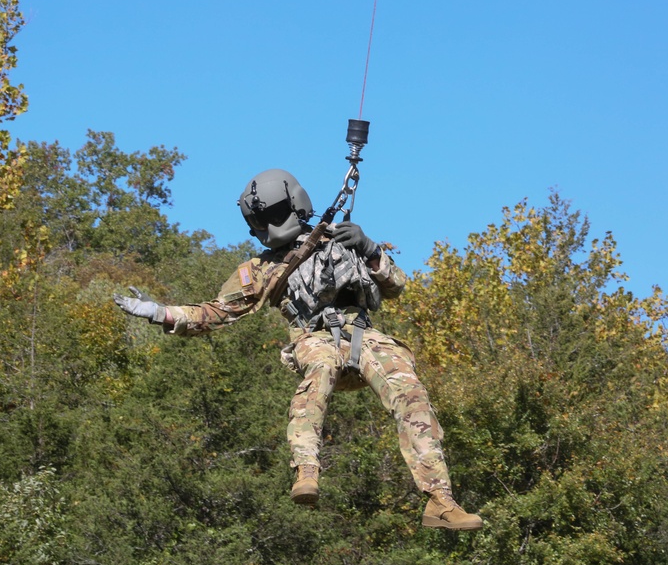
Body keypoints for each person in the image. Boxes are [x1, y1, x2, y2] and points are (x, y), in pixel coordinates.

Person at [114, 168, 482, 531]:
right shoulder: (262, 270)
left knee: (410, 390)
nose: (268, 228)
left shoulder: (340, 240)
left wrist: (370, 249)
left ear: (296, 206)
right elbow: (214, 312)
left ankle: (440, 500)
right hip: (314, 338)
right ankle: (306, 469)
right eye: (261, 222)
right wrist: (160, 313)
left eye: (272, 217)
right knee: (320, 370)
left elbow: (396, 285)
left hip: (362, 335)